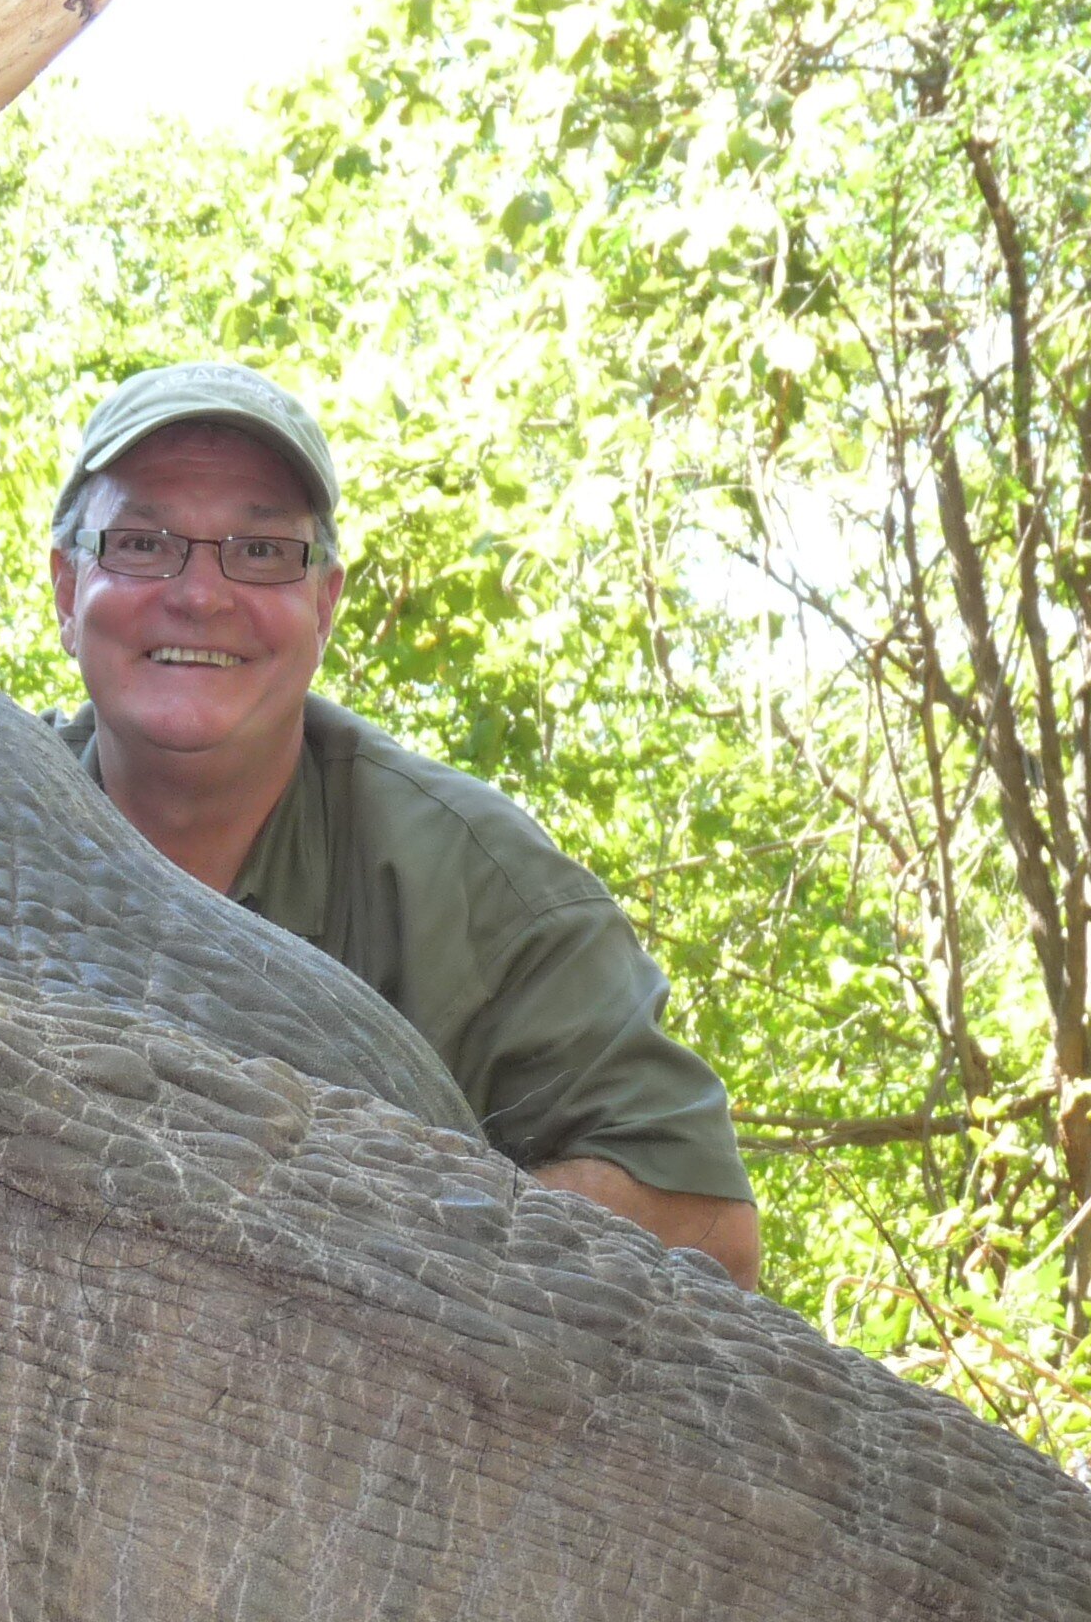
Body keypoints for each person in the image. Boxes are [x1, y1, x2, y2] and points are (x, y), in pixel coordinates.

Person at [44, 362, 762, 1291]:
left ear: (325, 604)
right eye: (142, 543)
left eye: (261, 552)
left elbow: (710, 1229)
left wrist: (351, 1244)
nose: (201, 594)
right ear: (67, 591)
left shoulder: (477, 881)